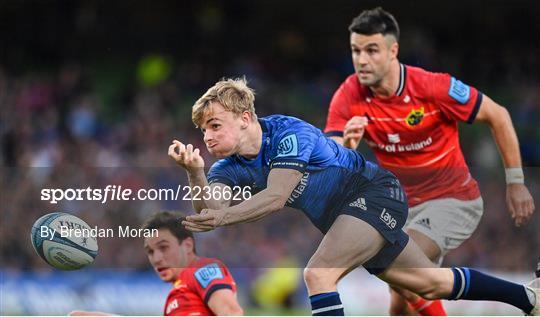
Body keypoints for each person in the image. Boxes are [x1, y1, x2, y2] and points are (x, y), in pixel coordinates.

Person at [168, 77, 539, 316]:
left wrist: (220, 217)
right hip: (349, 218)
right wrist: (195, 172)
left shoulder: (288, 133)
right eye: (203, 131)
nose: (208, 137)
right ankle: (529, 299)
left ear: (245, 118)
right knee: (431, 283)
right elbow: (211, 211)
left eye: (215, 126)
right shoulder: (226, 168)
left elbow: (277, 196)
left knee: (317, 274)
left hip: (374, 194)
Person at [323, 7, 536, 315]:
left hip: (451, 198)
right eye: (356, 50)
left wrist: (516, 182)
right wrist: (346, 144)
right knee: (401, 298)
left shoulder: (432, 87)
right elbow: (330, 150)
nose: (362, 60)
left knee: (397, 264)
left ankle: (527, 299)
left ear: (393, 50)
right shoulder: (349, 94)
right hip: (399, 206)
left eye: (372, 50)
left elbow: (498, 115)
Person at [70, 211, 243, 316]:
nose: (157, 258)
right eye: (151, 251)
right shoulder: (177, 294)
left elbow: (232, 313)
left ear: (187, 245)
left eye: (163, 247)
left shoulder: (202, 270)